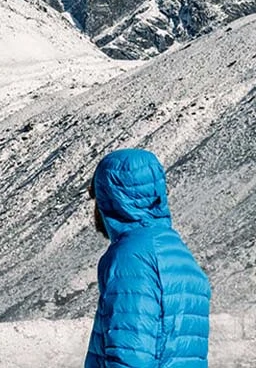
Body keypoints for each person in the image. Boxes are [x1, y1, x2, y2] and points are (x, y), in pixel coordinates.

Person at [85, 148, 210, 367]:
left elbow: (131, 353)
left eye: (96, 197)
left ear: (111, 199)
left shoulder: (132, 258)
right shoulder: (178, 253)